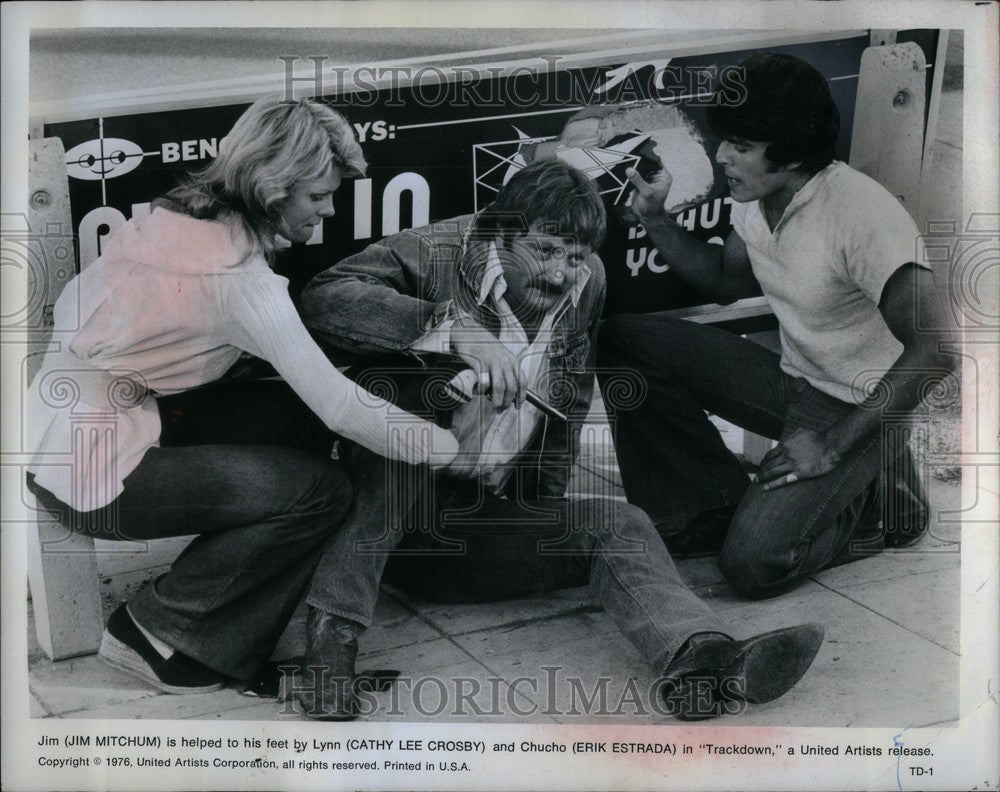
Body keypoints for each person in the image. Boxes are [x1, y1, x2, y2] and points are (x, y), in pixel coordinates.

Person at [296, 159, 825, 722]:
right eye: (545, 251)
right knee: (403, 414)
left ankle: (701, 660)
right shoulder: (435, 252)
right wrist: (455, 329)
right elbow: (324, 297)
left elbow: (567, 405)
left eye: (574, 257)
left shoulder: (587, 280)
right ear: (501, 234)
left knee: (622, 523)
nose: (560, 273)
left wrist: (541, 518)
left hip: (463, 537)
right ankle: (330, 648)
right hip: (381, 528)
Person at [24, 96, 457, 700]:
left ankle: (238, 618)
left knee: (302, 428)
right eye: (319, 196)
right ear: (274, 186)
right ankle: (157, 630)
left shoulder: (178, 220)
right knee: (320, 493)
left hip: (73, 432)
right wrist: (456, 451)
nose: (329, 211)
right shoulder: (239, 280)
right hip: (99, 475)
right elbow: (341, 406)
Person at [597, 53, 954, 597]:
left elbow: (937, 351)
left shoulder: (860, 213)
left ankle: (882, 507)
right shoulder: (757, 196)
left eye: (741, 146)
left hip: (859, 408)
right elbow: (726, 280)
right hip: (794, 382)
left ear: (791, 154)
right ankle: (707, 509)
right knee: (622, 338)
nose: (721, 156)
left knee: (753, 566)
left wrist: (832, 446)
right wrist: (654, 219)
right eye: (725, 141)